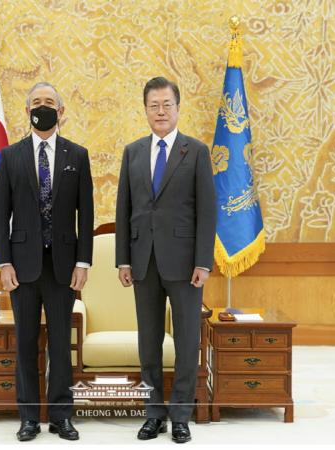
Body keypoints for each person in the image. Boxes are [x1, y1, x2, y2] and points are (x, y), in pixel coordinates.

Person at [115, 76, 216, 443]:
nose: (160, 111)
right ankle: (153, 413)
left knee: (187, 342)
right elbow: (124, 209)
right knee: (149, 343)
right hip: (143, 261)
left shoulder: (196, 151)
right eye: (153, 106)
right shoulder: (133, 152)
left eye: (166, 105)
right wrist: (123, 260)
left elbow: (207, 210)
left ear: (177, 108)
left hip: (186, 264)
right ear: (145, 110)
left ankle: (181, 416)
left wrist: (203, 261)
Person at [0, 82, 94, 442]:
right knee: (25, 343)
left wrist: (83, 263)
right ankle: (28, 418)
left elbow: (87, 213)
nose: (43, 107)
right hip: (22, 268)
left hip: (63, 267)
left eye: (49, 102)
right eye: (36, 102)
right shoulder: (10, 156)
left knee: (60, 345)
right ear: (27, 111)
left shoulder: (77, 155)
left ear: (61, 111)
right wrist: (4, 263)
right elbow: (1, 215)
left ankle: (61, 416)